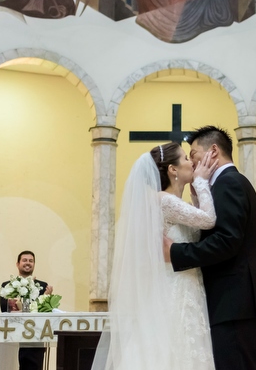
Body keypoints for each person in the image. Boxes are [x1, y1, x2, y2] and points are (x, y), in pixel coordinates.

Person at [93, 141, 218, 369]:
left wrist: (197, 194)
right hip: (175, 287)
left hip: (187, 285)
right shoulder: (164, 200)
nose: (192, 163)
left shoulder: (172, 202)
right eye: (186, 159)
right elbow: (209, 220)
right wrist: (201, 182)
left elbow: (198, 225)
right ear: (173, 169)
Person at [166, 126, 256, 370]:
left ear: (213, 151)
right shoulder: (230, 182)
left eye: (193, 154)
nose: (191, 162)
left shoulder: (228, 183)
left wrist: (175, 252)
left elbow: (226, 241)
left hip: (233, 304)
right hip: (234, 305)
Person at [0, 252, 50, 370]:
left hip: (34, 338)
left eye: (31, 261)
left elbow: (44, 312)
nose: (28, 263)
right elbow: (4, 308)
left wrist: (45, 298)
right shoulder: (7, 285)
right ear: (17, 264)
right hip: (12, 336)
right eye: (25, 260)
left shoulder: (42, 286)